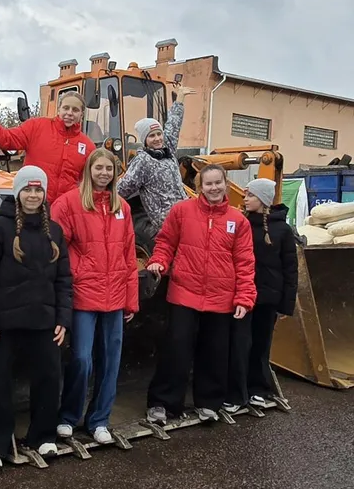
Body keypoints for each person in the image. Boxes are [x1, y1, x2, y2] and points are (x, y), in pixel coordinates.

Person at [0, 166, 73, 471]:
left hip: (44, 321)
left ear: (44, 194)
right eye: (27, 189)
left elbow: (64, 280)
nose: (33, 195)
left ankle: (43, 436)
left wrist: (63, 319)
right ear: (18, 193)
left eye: (38, 190)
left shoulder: (54, 232)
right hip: (4, 324)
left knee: (48, 378)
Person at [145, 164, 256, 423]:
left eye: (218, 182)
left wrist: (244, 297)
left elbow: (245, 262)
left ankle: (208, 403)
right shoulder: (182, 211)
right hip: (185, 293)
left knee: (214, 352)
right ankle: (162, 403)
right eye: (208, 183)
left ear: (226, 183)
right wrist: (159, 261)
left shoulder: (238, 220)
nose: (214, 188)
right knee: (176, 350)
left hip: (221, 298)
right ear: (200, 187)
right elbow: (166, 242)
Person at [52, 148, 139, 445]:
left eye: (109, 169)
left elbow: (129, 253)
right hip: (83, 293)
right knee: (81, 358)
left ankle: (100, 419)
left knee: (111, 360)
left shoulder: (122, 207)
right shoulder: (68, 203)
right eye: (98, 167)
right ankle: (68, 416)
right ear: (89, 170)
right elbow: (56, 249)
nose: (104, 173)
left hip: (114, 295)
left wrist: (131, 299)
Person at [225, 178, 298, 411]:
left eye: (251, 195)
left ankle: (258, 390)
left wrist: (286, 305)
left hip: (268, 298)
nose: (245, 199)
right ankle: (236, 394)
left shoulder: (282, 230)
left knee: (261, 345)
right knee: (239, 345)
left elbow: (290, 268)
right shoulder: (240, 224)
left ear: (264, 199)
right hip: (242, 298)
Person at [0, 93, 94, 204]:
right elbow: (6, 139)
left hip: (65, 211)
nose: (69, 113)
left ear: (81, 114)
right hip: (32, 205)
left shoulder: (88, 146)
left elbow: (89, 183)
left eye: (75, 110)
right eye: (66, 108)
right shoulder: (37, 127)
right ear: (59, 109)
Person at [117, 87, 195, 241]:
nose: (158, 138)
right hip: (166, 223)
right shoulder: (142, 161)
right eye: (152, 136)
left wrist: (180, 99)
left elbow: (173, 125)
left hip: (185, 215)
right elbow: (123, 188)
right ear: (145, 140)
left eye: (159, 134)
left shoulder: (168, 151)